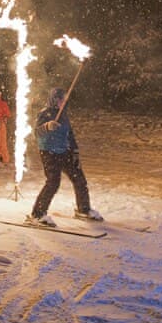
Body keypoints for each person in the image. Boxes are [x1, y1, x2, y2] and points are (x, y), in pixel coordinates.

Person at [27, 87, 102, 227]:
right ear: (54, 99)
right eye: (61, 99)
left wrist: (75, 151)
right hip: (49, 153)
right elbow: (36, 133)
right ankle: (37, 214)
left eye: (65, 99)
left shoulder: (63, 115)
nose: (64, 102)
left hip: (65, 152)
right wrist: (47, 126)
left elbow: (69, 135)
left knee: (79, 179)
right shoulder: (45, 113)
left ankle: (83, 209)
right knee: (53, 182)